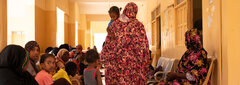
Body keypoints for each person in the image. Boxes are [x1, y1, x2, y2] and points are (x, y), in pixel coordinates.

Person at [100, 2, 150, 84]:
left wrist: (107, 56)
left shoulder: (114, 25)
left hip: (117, 64)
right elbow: (143, 47)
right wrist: (144, 63)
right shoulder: (138, 26)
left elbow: (108, 43)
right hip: (133, 66)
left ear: (125, 10)